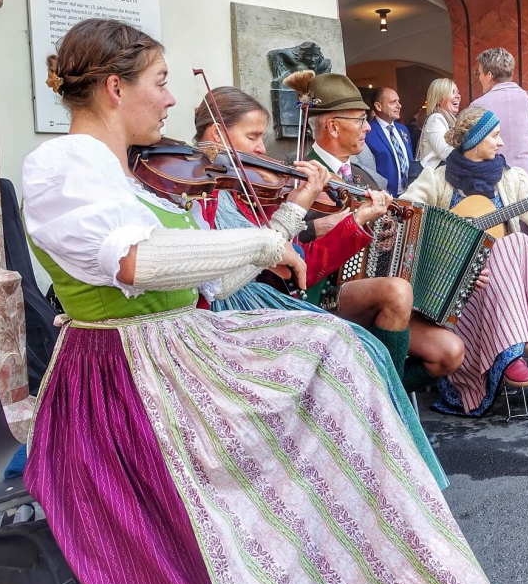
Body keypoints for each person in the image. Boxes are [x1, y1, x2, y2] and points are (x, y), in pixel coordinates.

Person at [21, 18, 491, 584]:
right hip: (125, 372)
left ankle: (372, 548)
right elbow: (135, 262)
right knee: (331, 351)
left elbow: (215, 284)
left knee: (336, 346)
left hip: (176, 348)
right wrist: (264, 241)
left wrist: (287, 220)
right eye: (161, 82)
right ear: (115, 88)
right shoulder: (63, 163)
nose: (171, 99)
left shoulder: (137, 173)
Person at [189, 87, 449, 487]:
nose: (263, 150)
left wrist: (357, 222)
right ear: (217, 135)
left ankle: (390, 460)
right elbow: (246, 273)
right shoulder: (208, 193)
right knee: (359, 354)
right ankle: (380, 465)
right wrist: (300, 208)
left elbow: (300, 261)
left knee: (396, 350)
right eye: (253, 137)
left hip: (285, 296)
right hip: (254, 308)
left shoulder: (258, 188)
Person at [300, 73, 469, 391]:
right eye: (360, 120)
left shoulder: (368, 178)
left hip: (380, 296)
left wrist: (459, 267)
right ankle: (388, 406)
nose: (367, 127)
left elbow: (407, 236)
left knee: (449, 351)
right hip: (325, 293)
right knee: (396, 291)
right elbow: (281, 237)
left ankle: (369, 394)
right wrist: (314, 227)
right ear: (333, 126)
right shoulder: (300, 175)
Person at [401, 107, 528, 415]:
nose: (501, 143)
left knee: (515, 243)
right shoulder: (437, 179)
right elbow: (405, 214)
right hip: (464, 291)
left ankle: (512, 350)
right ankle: (516, 345)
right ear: (474, 141)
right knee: (513, 245)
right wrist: (447, 244)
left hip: (507, 284)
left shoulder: (512, 179)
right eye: (494, 136)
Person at [470, 47, 528, 268]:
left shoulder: (477, 106)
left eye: (479, 73)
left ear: (489, 75)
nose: (479, 78)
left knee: (506, 260)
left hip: (497, 190)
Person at [366, 86, 412, 195]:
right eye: (393, 102)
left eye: (398, 101)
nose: (399, 105)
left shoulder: (403, 129)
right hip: (386, 196)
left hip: (411, 193)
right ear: (378, 106)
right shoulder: (368, 133)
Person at [418, 77, 461, 169]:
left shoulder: (453, 120)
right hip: (436, 175)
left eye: (458, 92)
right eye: (453, 92)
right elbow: (444, 152)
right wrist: (471, 151)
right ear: (439, 100)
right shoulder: (436, 119)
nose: (458, 96)